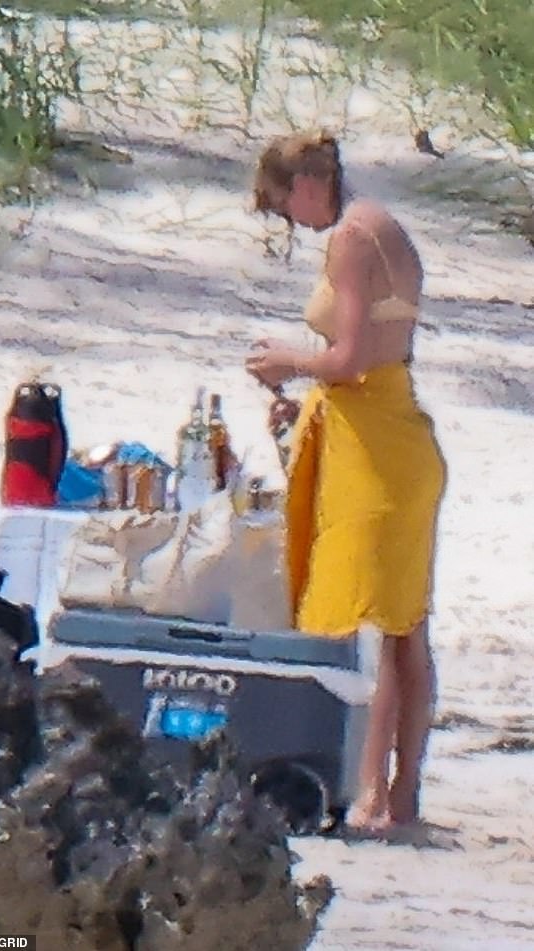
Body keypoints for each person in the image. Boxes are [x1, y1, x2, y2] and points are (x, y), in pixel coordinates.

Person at [245, 131, 446, 831]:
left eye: (280, 206)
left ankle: (369, 793)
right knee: (404, 626)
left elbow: (354, 354)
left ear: (305, 183)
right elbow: (375, 359)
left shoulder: (352, 238)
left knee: (369, 619)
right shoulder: (381, 226)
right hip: (387, 430)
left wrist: (289, 359)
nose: (289, 221)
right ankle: (402, 793)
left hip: (378, 446)